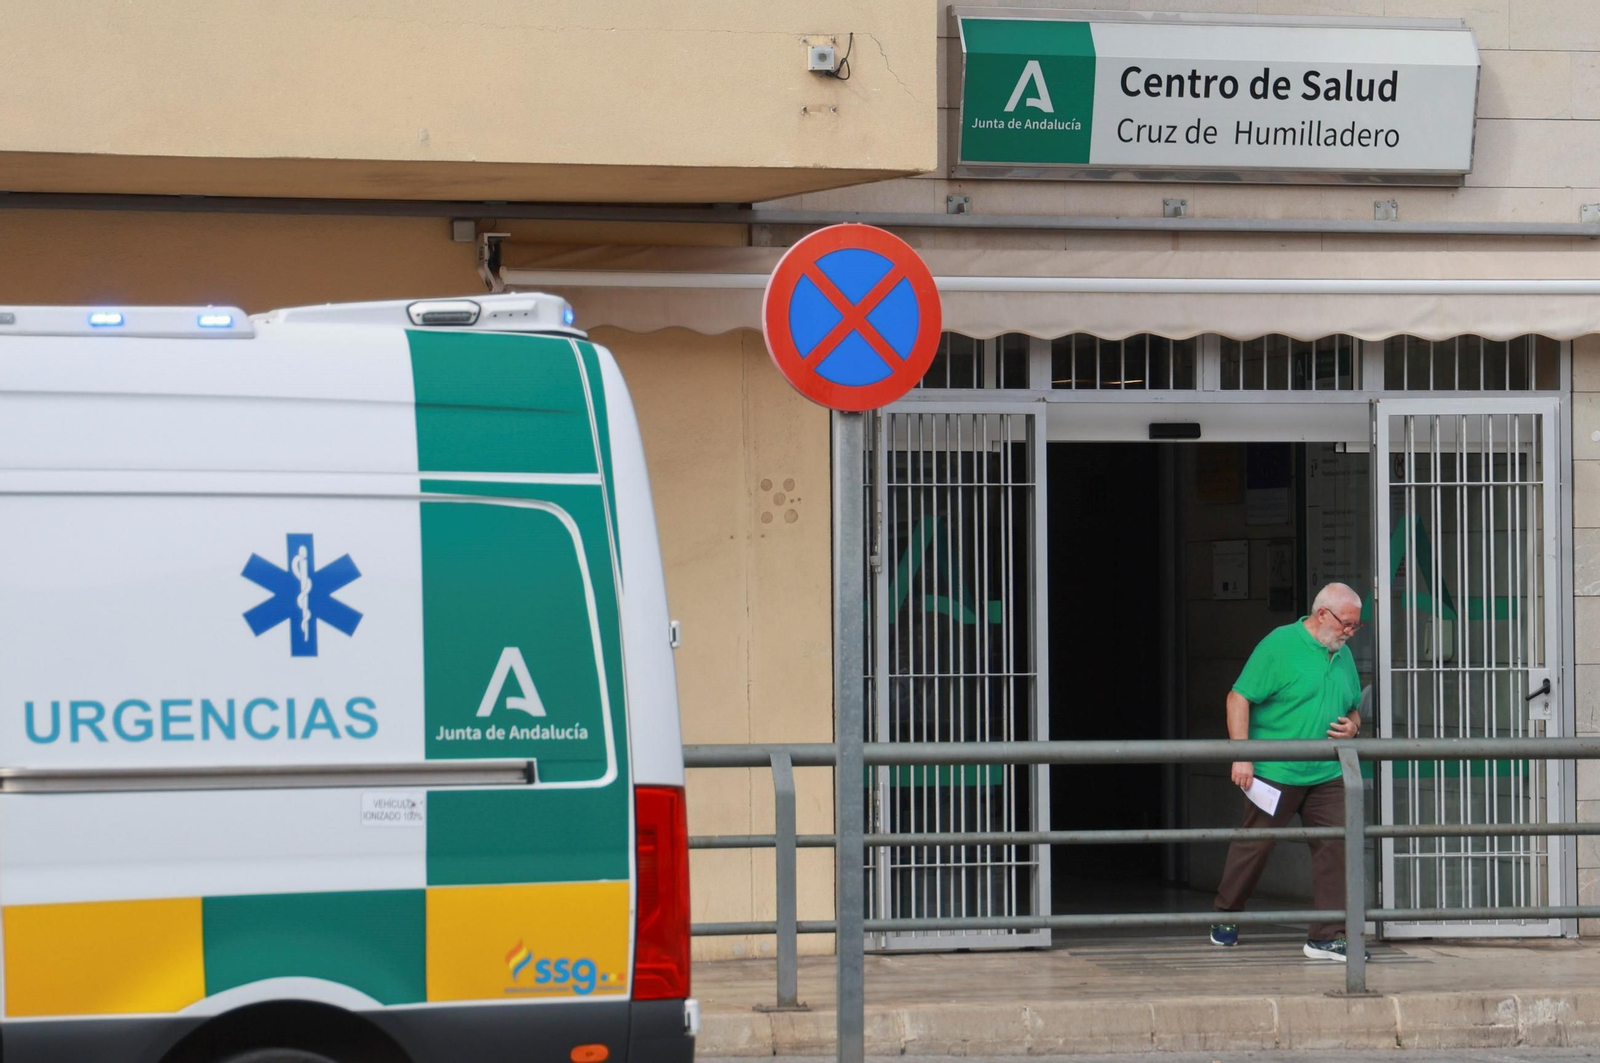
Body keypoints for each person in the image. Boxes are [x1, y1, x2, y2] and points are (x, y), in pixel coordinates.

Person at [1208, 582, 1369, 962]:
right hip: (1276, 768)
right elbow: (1238, 698)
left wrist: (1354, 726)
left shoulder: (1341, 654)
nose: (1350, 633)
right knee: (1255, 845)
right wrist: (1242, 754)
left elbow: (1352, 707)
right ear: (1322, 615)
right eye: (1347, 624)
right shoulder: (1279, 645)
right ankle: (1226, 915)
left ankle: (1327, 936)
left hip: (1327, 770)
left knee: (1336, 847)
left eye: (1356, 627)